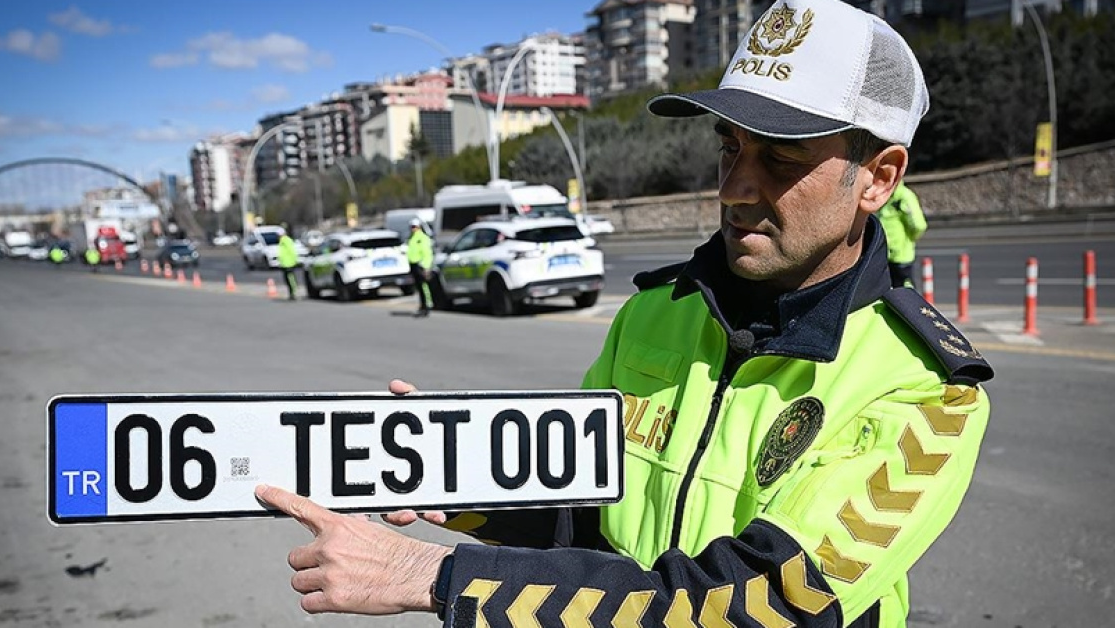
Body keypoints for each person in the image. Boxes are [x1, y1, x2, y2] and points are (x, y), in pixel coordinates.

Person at [254, 1, 993, 626]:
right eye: (729, 147)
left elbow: (755, 603)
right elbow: (585, 519)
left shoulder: (928, 393)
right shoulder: (652, 314)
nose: (736, 187)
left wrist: (438, 576)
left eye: (781, 160)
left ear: (879, 179)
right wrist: (462, 480)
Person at [877, 181, 928, 288]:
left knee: (905, 295)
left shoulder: (904, 196)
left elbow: (918, 225)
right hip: (885, 257)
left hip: (901, 256)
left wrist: (907, 241)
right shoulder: (883, 196)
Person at [406, 218, 434, 318]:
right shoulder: (412, 238)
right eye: (412, 227)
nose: (413, 229)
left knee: (424, 286)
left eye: (415, 227)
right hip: (413, 264)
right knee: (419, 287)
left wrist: (426, 267)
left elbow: (427, 253)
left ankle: (427, 305)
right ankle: (422, 305)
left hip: (421, 265)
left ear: (419, 227)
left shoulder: (423, 238)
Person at [277, 226, 299, 301]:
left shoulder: (286, 241)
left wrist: (294, 260)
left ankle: (293, 292)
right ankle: (291, 293)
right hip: (284, 263)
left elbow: (292, 251)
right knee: (287, 279)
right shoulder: (281, 241)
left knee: (290, 278)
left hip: (289, 263)